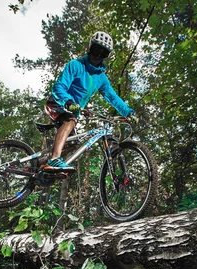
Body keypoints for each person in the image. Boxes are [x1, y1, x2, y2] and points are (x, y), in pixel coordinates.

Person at [43, 31, 137, 172]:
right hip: (58, 103)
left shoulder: (101, 78)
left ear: (106, 56)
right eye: (96, 50)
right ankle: (54, 160)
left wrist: (128, 112)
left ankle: (43, 163)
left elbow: (112, 97)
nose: (98, 55)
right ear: (90, 48)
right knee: (70, 120)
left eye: (103, 53)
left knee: (72, 143)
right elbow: (59, 87)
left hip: (72, 110)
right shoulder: (75, 65)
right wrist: (68, 101)